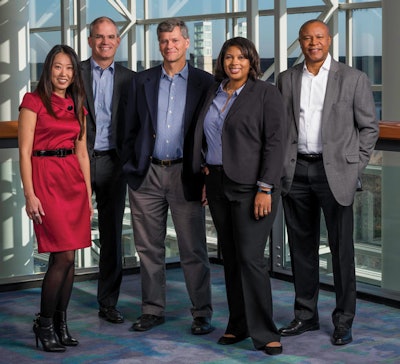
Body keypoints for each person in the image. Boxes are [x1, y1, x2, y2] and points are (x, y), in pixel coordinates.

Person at [277, 19, 379, 346]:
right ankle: (305, 315)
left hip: (335, 174)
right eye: (307, 38)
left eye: (319, 37)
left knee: (341, 251)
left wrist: (356, 164)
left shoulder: (353, 79)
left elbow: (369, 128)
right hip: (297, 173)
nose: (313, 43)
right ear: (300, 42)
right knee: (301, 249)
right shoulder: (286, 80)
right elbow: (280, 128)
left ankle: (343, 320)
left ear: (329, 39)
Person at [192, 37, 286, 356]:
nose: (235, 62)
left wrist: (265, 187)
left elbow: (275, 144)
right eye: (229, 57)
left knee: (250, 259)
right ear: (222, 61)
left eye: (241, 58)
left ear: (251, 62)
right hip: (217, 184)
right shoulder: (214, 92)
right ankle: (238, 324)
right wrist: (205, 169)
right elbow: (206, 136)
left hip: (252, 188)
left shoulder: (265, 94)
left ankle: (265, 331)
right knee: (230, 259)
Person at [120, 18, 214, 334]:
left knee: (193, 249)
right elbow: (127, 128)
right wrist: (129, 165)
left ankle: (201, 312)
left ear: (187, 43)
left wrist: (206, 175)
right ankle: (152, 310)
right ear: (158, 44)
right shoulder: (141, 81)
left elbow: (213, 133)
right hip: (146, 174)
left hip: (185, 174)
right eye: (164, 41)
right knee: (148, 248)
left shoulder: (205, 82)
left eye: (175, 40)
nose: (169, 46)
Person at [18, 45, 93, 352]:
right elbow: (24, 151)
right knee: (61, 256)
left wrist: (88, 193)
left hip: (72, 180)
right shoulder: (33, 101)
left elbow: (82, 151)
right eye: (58, 67)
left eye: (70, 69)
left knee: (70, 256)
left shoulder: (78, 103)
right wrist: (29, 193)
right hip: (46, 179)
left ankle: (61, 324)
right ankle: (44, 323)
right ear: (48, 69)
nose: (64, 74)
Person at [81, 16, 135, 324]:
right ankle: (56, 301)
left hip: (115, 164)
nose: (105, 41)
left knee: (112, 235)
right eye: (99, 37)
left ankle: (108, 302)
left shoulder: (130, 78)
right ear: (90, 41)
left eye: (111, 36)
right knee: (69, 231)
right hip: (79, 161)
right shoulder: (75, 73)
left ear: (117, 41)